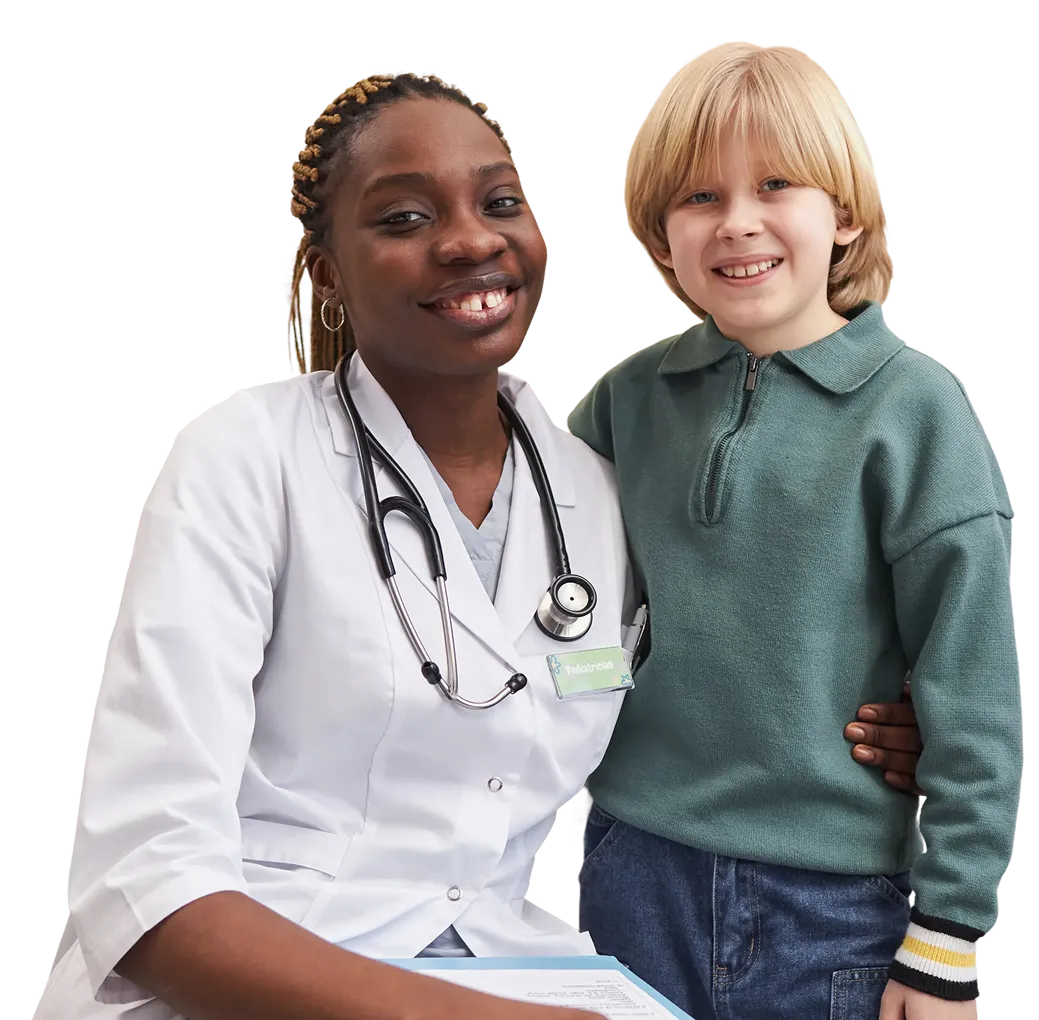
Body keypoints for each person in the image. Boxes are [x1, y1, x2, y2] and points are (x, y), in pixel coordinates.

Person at [39, 71, 926, 1020]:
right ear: (326, 275)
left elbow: (713, 669)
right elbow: (143, 882)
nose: (470, 239)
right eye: (404, 217)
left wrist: (865, 725)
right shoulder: (246, 456)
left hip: (510, 959)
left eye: (500, 202)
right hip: (264, 974)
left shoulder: (590, 487)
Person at [569, 42, 1020, 1020]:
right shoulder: (624, 402)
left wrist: (948, 936)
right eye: (696, 198)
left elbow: (974, 691)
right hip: (632, 864)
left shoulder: (917, 414)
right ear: (659, 234)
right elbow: (553, 604)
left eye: (775, 184)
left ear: (844, 211)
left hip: (837, 899)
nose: (736, 222)